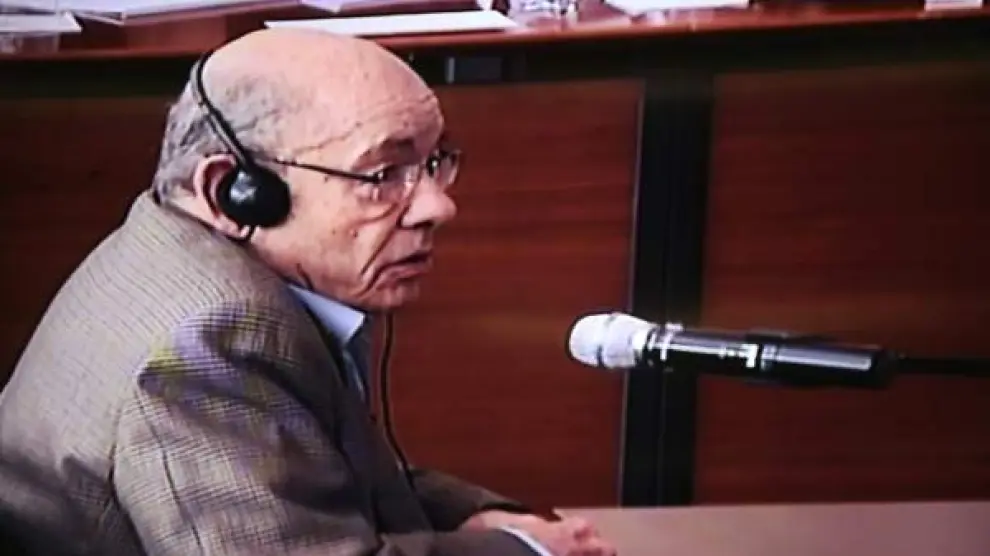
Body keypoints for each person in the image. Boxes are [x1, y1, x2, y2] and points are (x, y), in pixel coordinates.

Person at [0, 28, 617, 556]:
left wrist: (477, 520)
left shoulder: (176, 248)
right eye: (382, 175)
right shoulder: (213, 339)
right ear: (236, 192)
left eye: (435, 163)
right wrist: (526, 551)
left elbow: (316, 469)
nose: (438, 206)